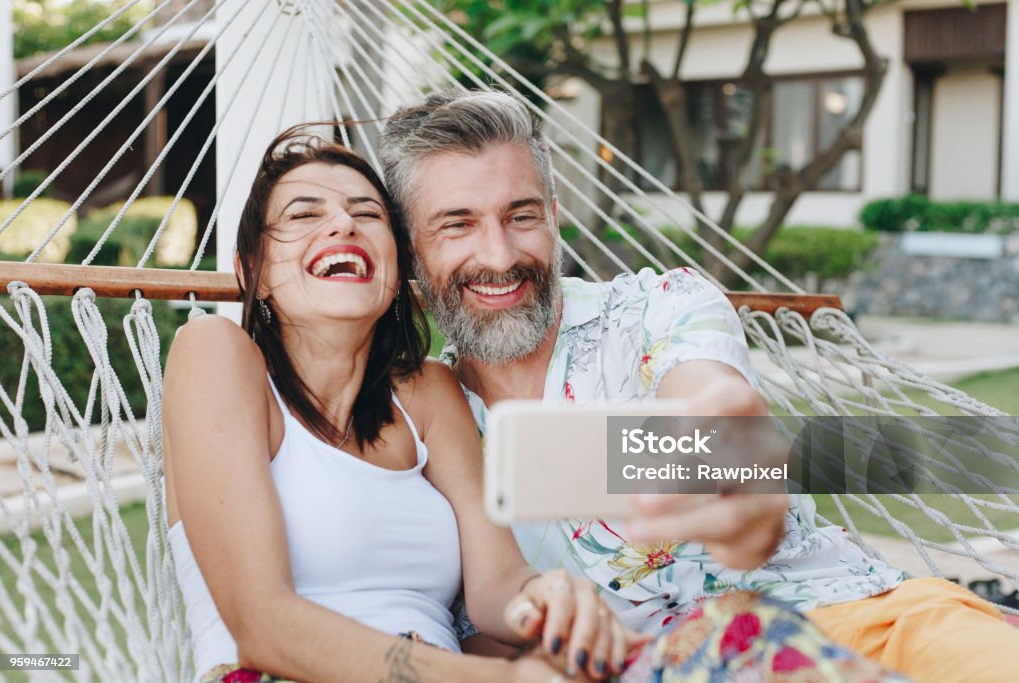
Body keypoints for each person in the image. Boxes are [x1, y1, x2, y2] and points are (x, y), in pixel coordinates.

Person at [377, 89, 1019, 682]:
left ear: (551, 216)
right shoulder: (424, 422)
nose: (498, 255)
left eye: (520, 216)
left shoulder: (660, 309)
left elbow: (714, 414)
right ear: (411, 250)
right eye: (456, 224)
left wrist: (738, 474)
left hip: (851, 616)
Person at [162, 127, 645, 683]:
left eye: (367, 214)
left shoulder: (429, 394)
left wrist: (546, 597)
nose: (343, 224)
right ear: (254, 271)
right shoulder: (215, 354)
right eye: (303, 215)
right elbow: (262, 624)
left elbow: (495, 585)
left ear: (396, 271)